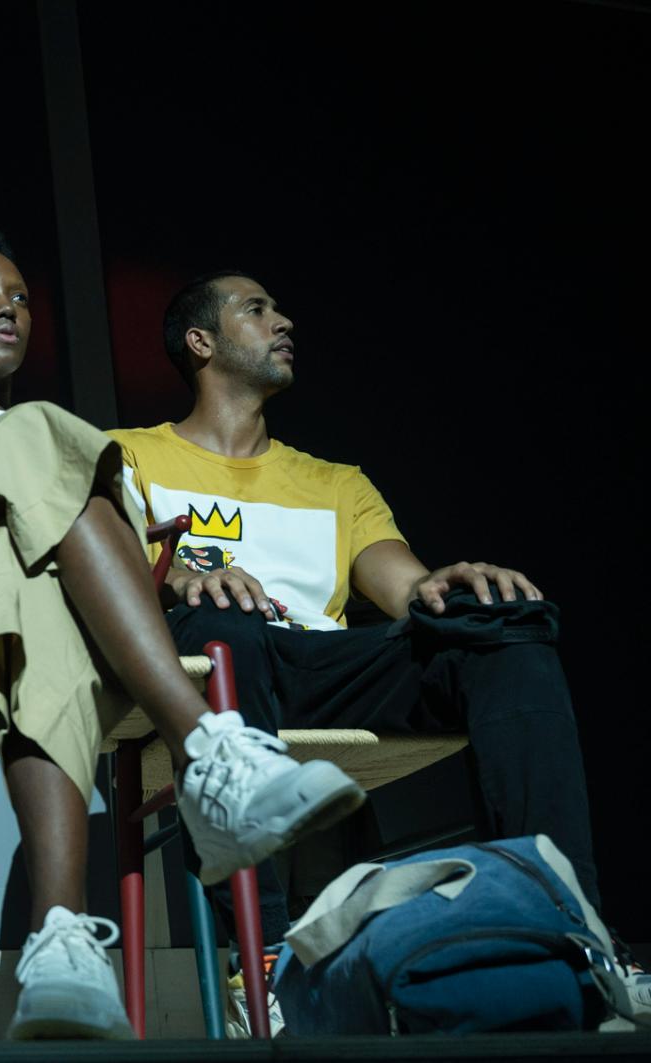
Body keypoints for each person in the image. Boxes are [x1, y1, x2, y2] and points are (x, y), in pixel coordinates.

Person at [0, 214, 365, 1039]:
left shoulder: (66, 455)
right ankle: (207, 749)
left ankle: (60, 940)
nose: (8, 308)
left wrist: (157, 567)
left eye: (20, 297)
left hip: (11, 604)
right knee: (32, 438)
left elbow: (124, 558)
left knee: (17, 564)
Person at [111, 270, 612, 1031]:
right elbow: (109, 573)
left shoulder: (336, 482)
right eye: (258, 309)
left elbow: (407, 589)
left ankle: (573, 928)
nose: (285, 321)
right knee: (226, 627)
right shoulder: (129, 454)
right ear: (200, 341)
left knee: (504, 629)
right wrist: (178, 576)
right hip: (205, 673)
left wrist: (445, 585)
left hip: (322, 667)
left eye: (280, 308)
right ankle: (263, 961)